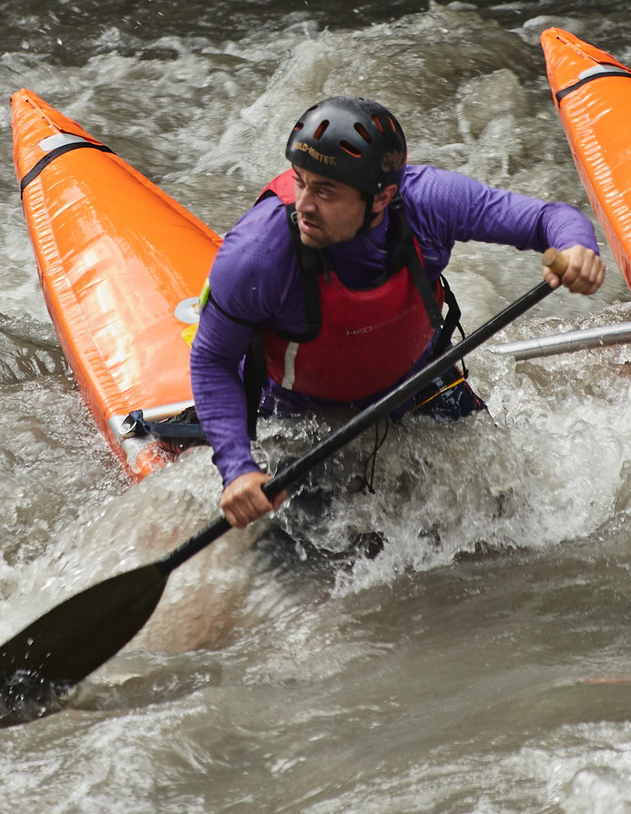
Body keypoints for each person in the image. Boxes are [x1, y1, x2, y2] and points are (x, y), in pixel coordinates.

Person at [188, 96, 605, 529]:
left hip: (417, 382)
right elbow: (212, 358)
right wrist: (236, 468)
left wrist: (578, 248)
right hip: (300, 414)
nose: (304, 204)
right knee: (313, 570)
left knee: (513, 515)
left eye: (326, 190)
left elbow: (546, 218)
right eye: (301, 182)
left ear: (383, 196)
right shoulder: (256, 255)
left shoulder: (430, 203)